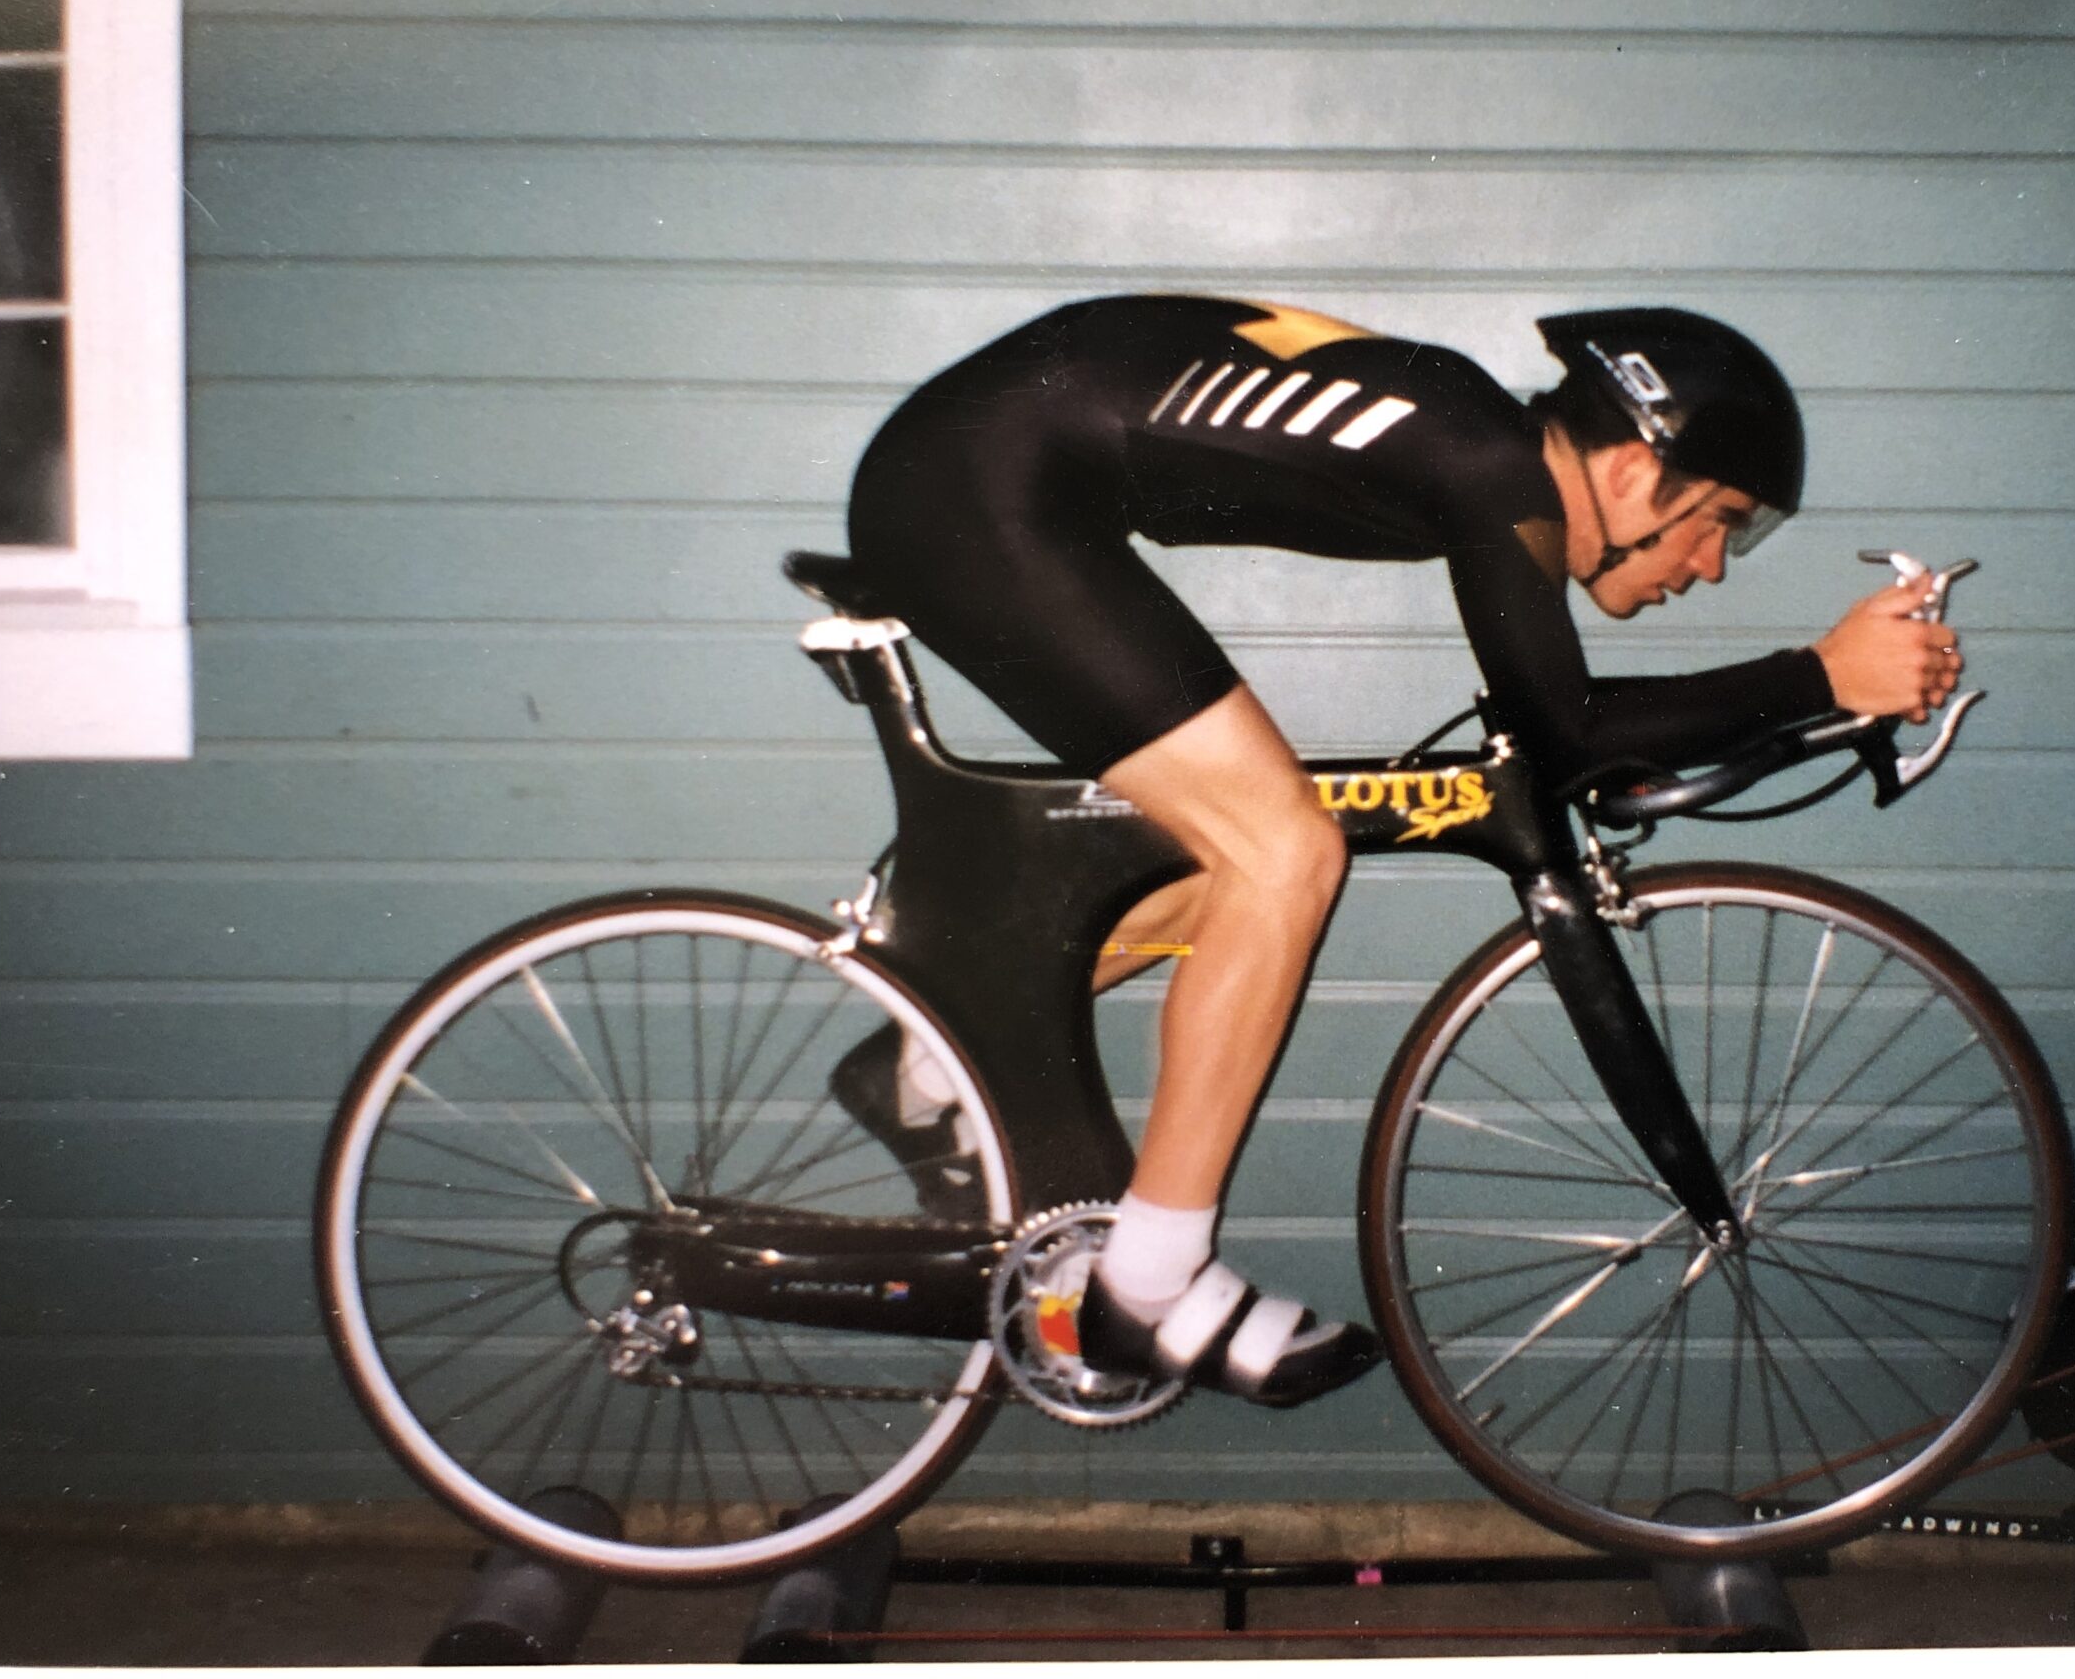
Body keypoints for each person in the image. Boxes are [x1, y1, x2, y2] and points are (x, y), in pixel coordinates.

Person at [836, 295, 1960, 1408]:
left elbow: (1558, 729)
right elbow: (1564, 728)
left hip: (989, 474)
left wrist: (1803, 696)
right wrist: (1817, 679)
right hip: (981, 487)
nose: (1712, 565)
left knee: (1239, 867)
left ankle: (931, 1066)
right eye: (1721, 520)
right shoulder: (1495, 472)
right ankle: (1147, 1285)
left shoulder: (1480, 458)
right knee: (1287, 854)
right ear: (1628, 472)